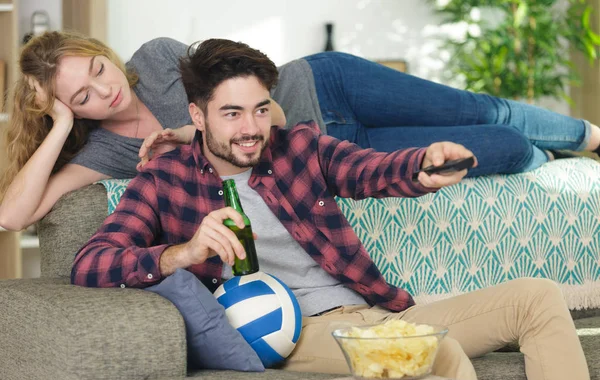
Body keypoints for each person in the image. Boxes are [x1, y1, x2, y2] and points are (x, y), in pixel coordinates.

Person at [71, 38, 592, 380]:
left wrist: (421, 166)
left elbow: (370, 169)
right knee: (433, 352)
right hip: (295, 336)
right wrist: (180, 254)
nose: (251, 128)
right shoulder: (166, 179)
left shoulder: (296, 146)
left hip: (375, 315)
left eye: (260, 108)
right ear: (197, 115)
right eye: (232, 113)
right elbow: (90, 264)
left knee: (536, 298)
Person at [1, 31, 599, 231]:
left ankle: (591, 136)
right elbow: (12, 216)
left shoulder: (158, 59)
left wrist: (192, 136)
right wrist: (56, 125)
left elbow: (263, 109)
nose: (105, 89)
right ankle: (551, 150)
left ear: (103, 54)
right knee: (507, 148)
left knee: (476, 111)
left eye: (98, 70)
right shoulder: (108, 150)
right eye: (82, 96)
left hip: (325, 85)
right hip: (336, 154)